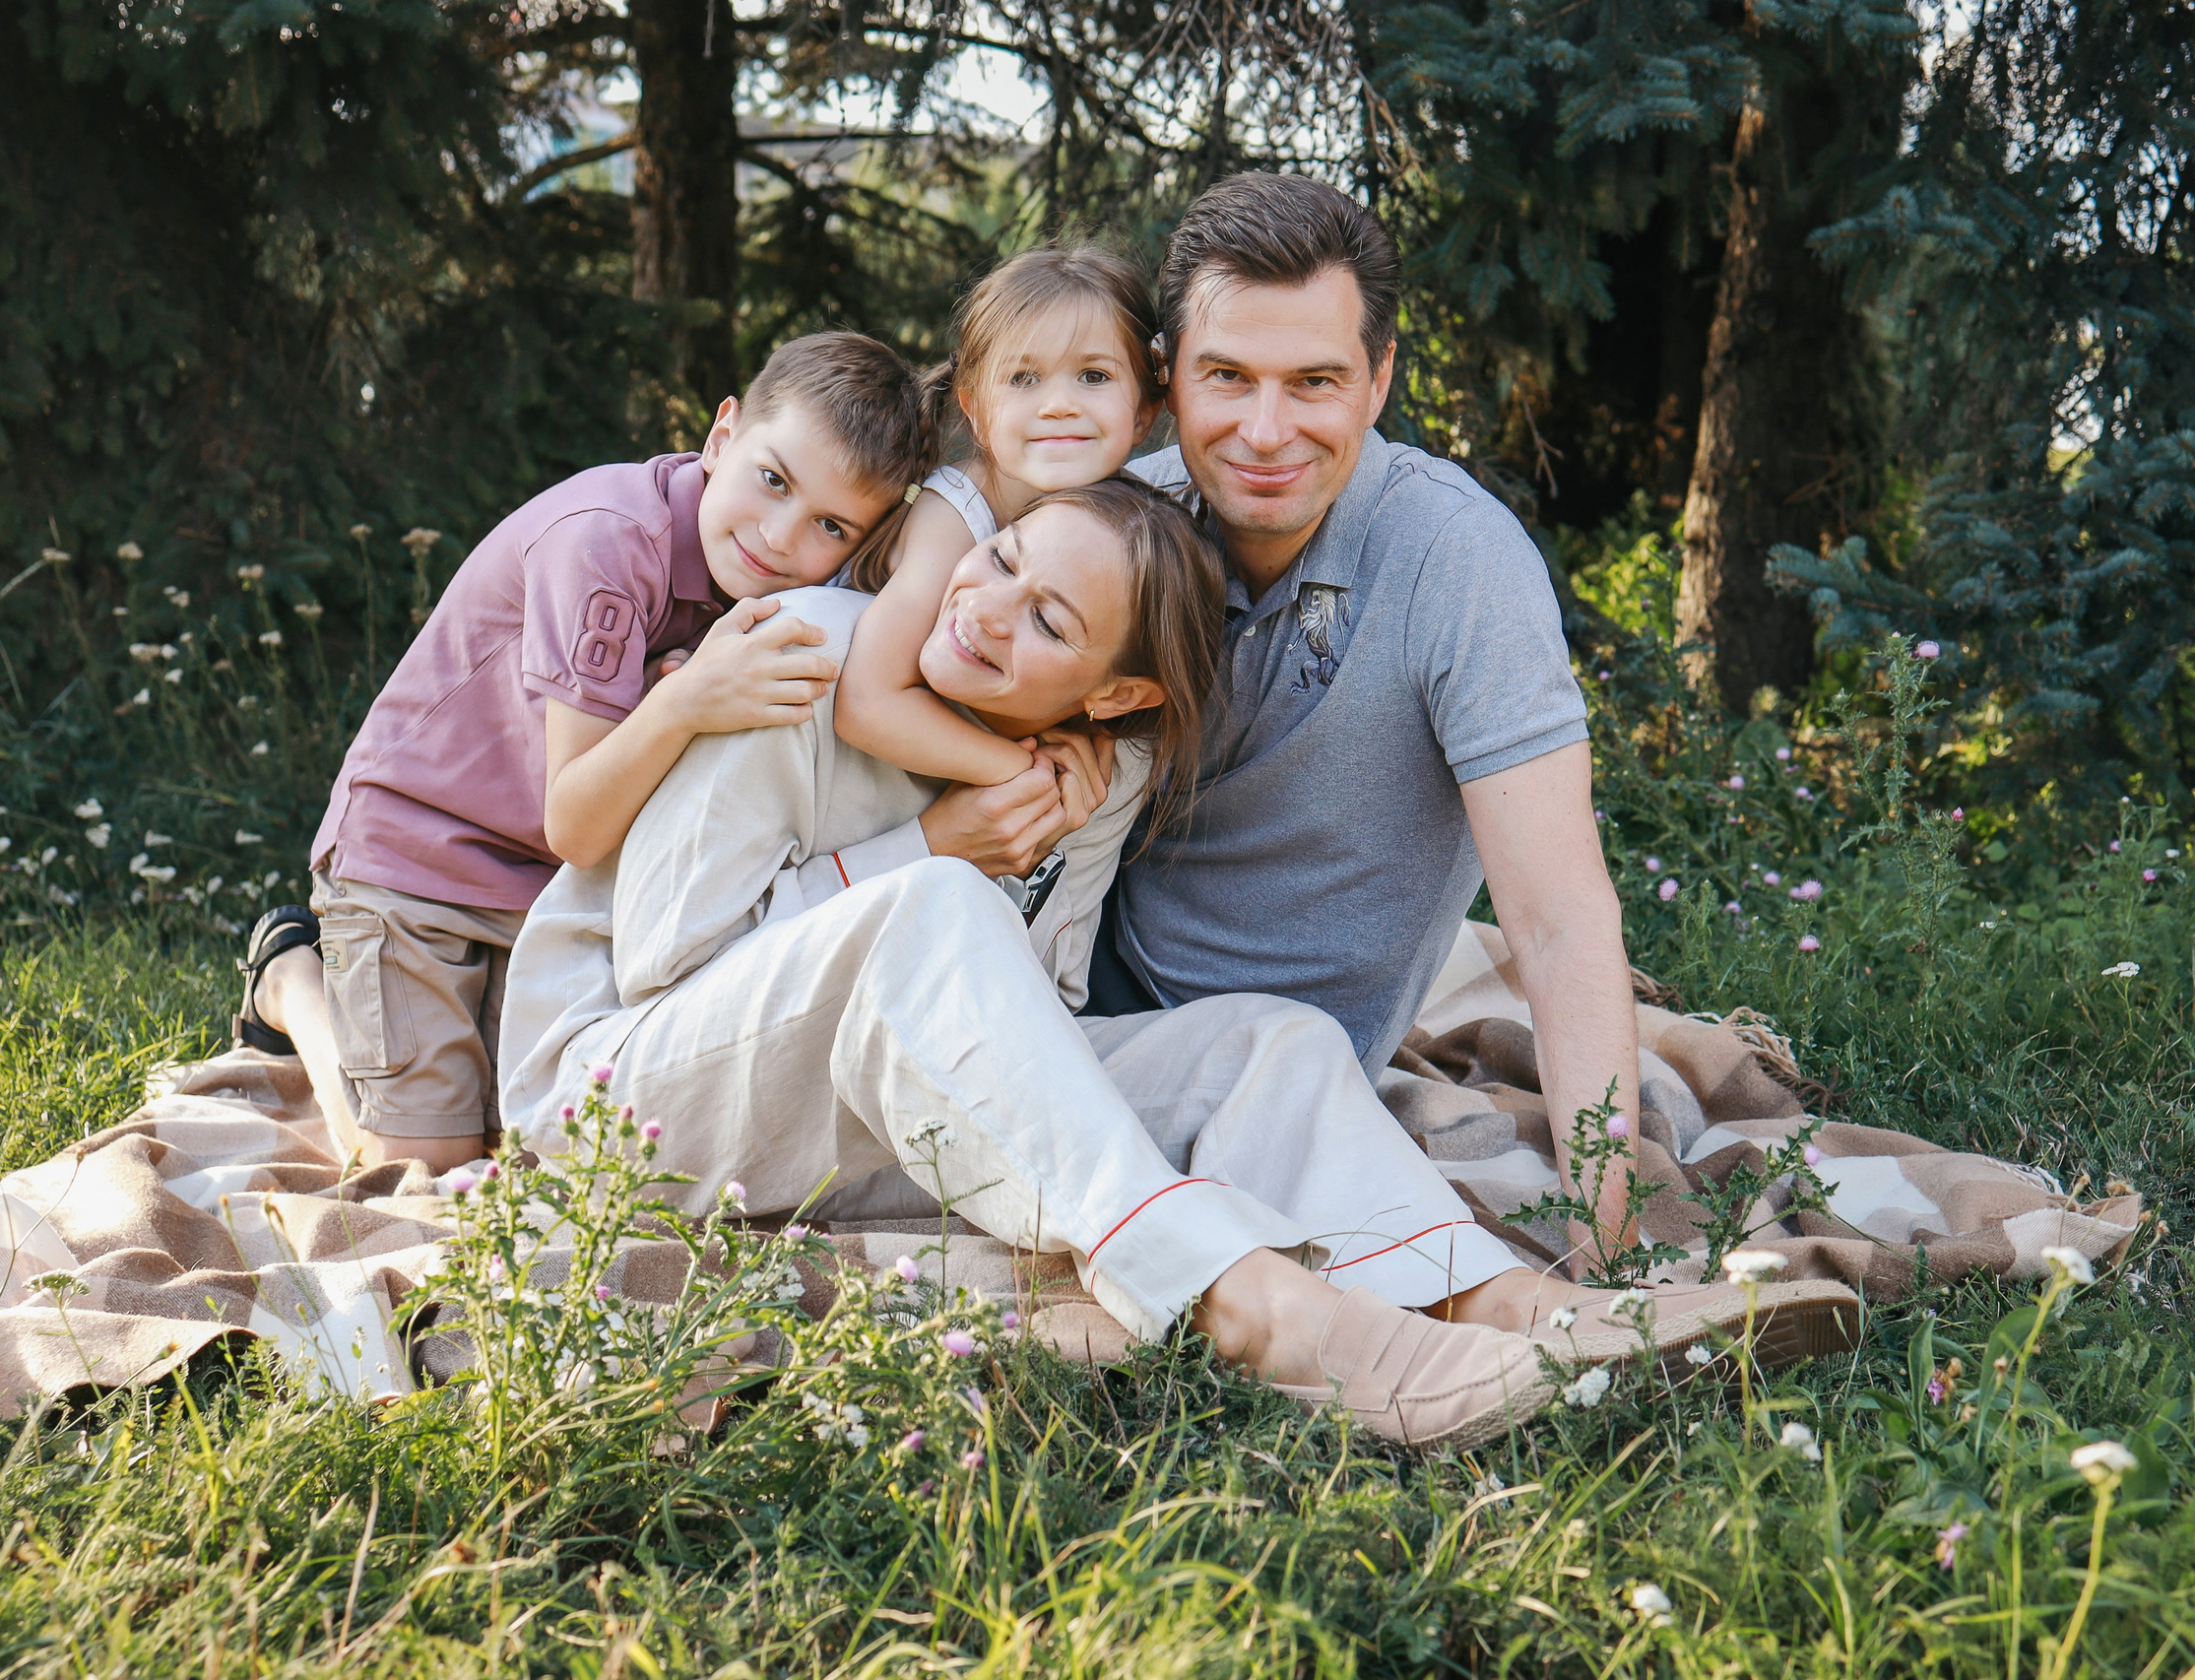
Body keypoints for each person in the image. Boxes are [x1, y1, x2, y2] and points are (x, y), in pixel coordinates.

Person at [496, 476, 1861, 1451]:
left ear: (1115, 696)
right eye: (1005, 558)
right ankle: (1249, 1298)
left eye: (1047, 624)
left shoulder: (1091, 772)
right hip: (624, 1092)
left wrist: (985, 870)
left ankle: (1510, 1301)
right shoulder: (803, 659)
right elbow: (666, 960)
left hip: (839, 1112)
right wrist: (928, 849)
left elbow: (1036, 1008)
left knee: (1267, 1035)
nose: (984, 610)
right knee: (934, 915)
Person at [1100, 172, 1693, 1298]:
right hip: (1063, 1007)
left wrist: (1608, 1239)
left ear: (1377, 380)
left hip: (1289, 1080)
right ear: (1167, 372)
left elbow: (1560, 921)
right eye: (1225, 377)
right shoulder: (1114, 514)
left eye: (1314, 381)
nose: (1263, 430)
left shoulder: (1455, 561)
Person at [232, 332, 944, 1173]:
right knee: (420, 1170)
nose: (783, 536)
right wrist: (683, 701)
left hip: (552, 895)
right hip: (416, 861)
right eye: (773, 479)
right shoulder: (608, 546)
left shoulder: (779, 579)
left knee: (549, 1149)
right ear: (723, 436)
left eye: (830, 524)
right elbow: (573, 818)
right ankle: (290, 979)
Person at [833, 245, 1165, 794]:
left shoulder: (1118, 531)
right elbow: (866, 704)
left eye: (1093, 375)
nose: (1059, 404)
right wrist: (1021, 772)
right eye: (1023, 379)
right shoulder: (954, 520)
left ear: (1144, 413)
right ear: (976, 410)